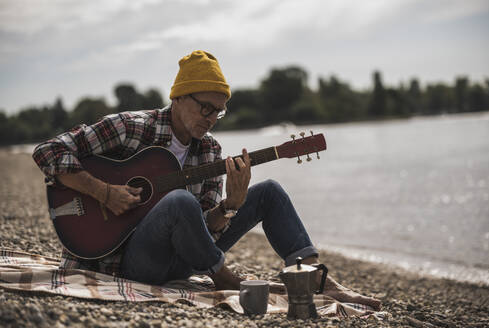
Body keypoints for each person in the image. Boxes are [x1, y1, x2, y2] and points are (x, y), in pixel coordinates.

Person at [33, 50, 381, 309]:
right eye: (206, 108)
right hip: (129, 260)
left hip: (187, 257)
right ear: (180, 97)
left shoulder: (210, 150)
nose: (213, 118)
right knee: (179, 200)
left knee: (270, 192)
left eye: (219, 111)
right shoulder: (129, 127)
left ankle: (318, 279)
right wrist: (104, 192)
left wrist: (231, 205)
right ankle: (224, 278)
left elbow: (201, 229)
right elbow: (48, 151)